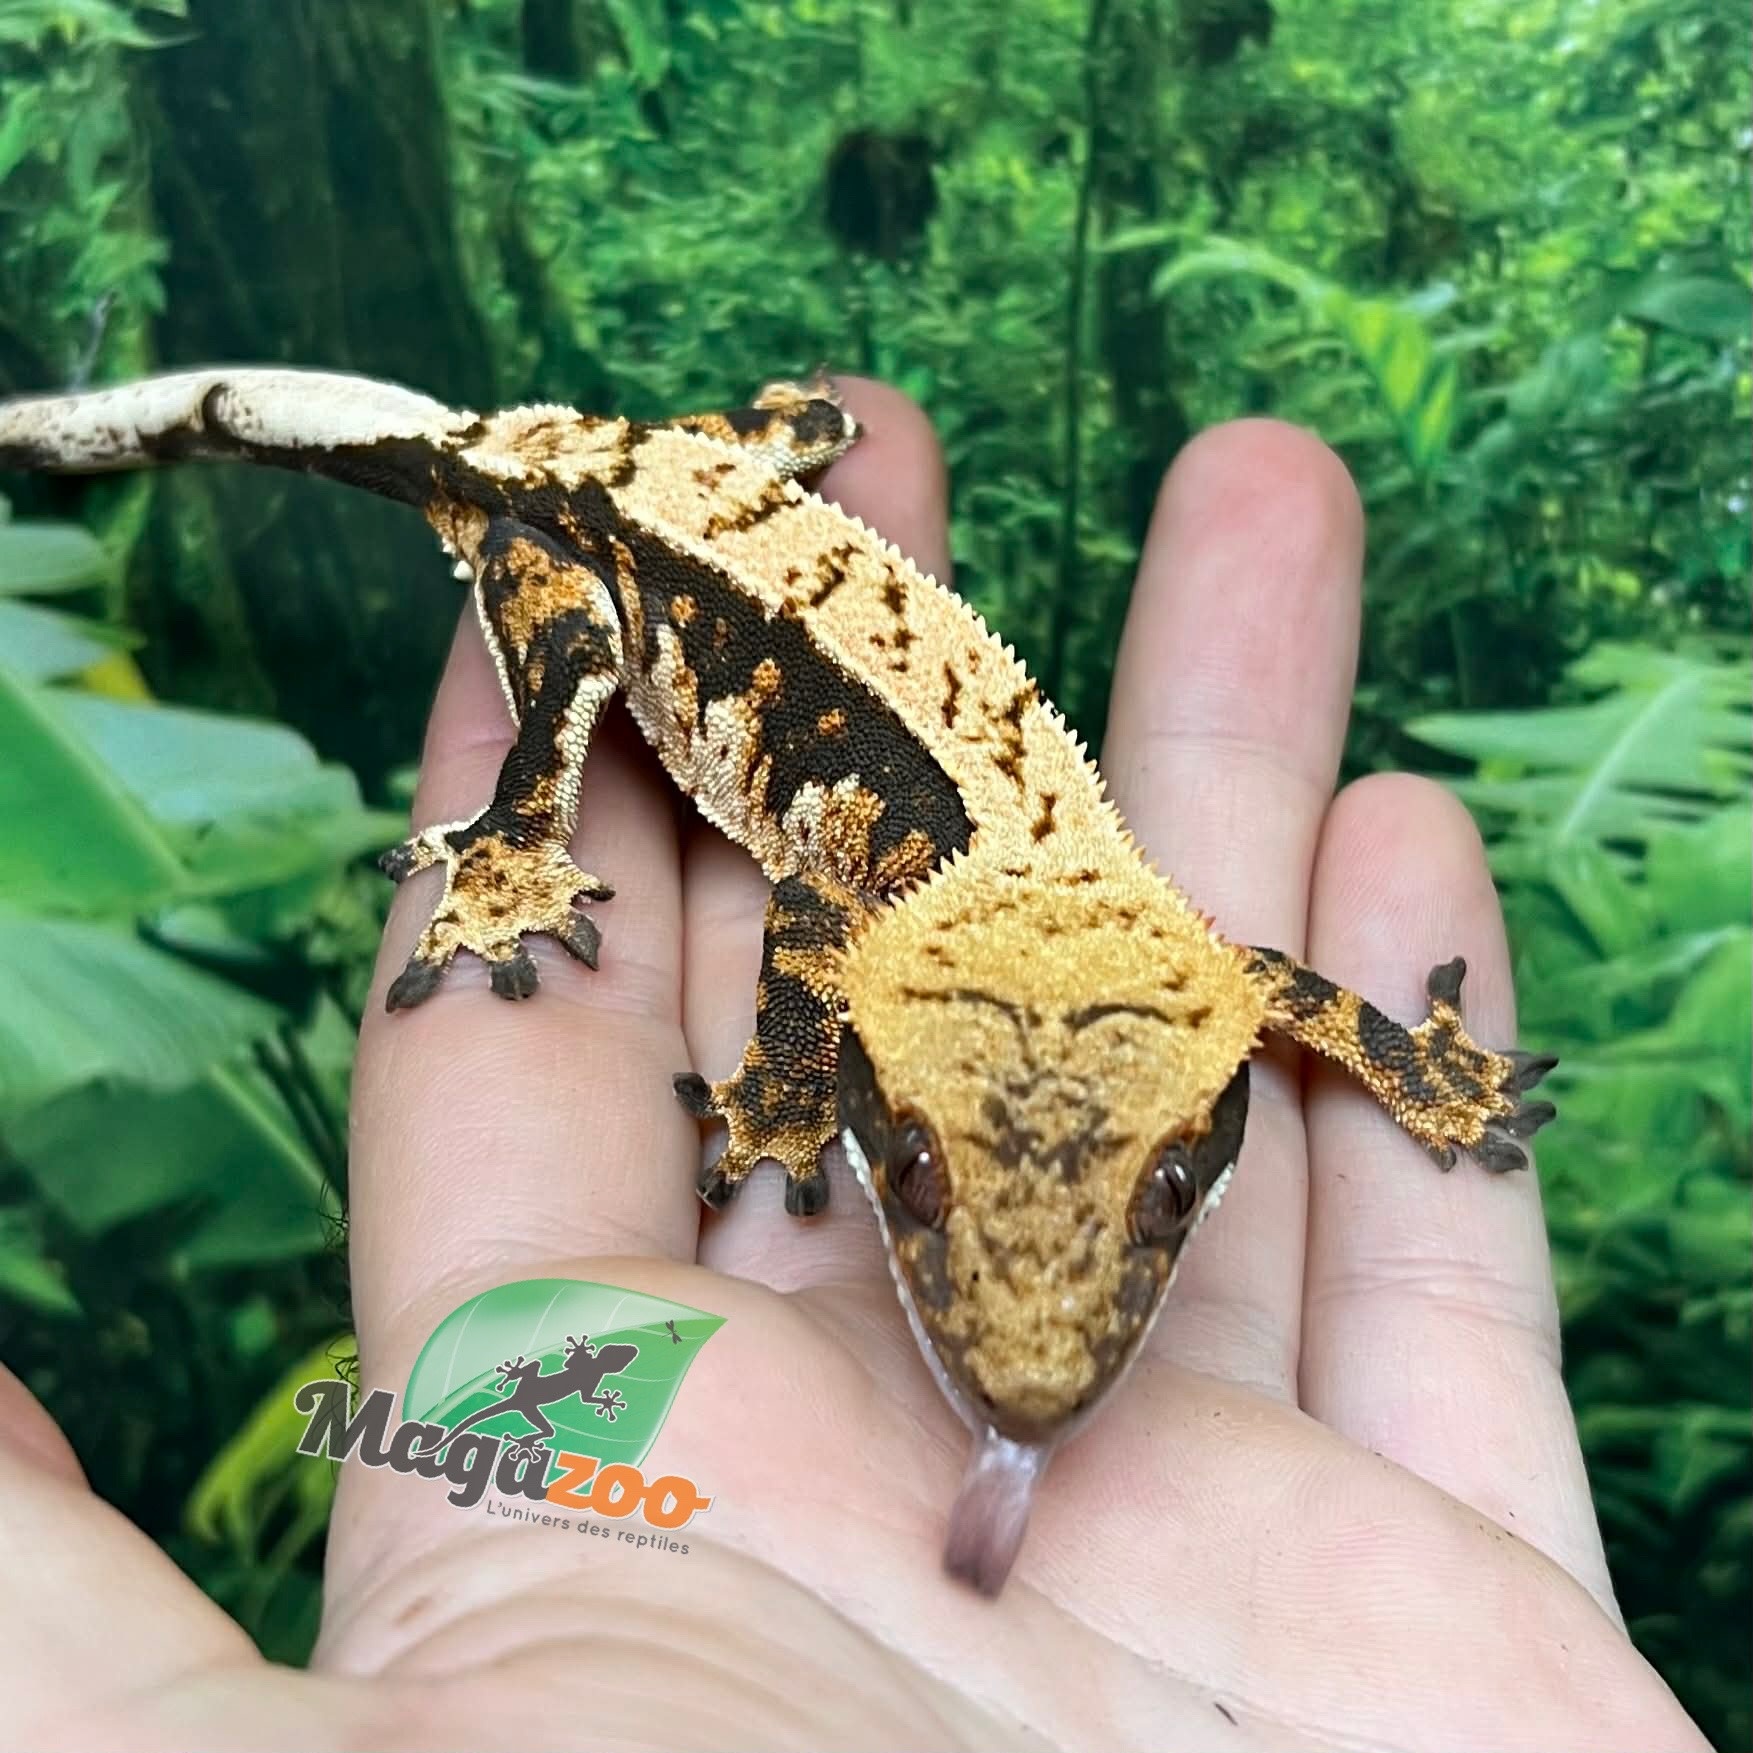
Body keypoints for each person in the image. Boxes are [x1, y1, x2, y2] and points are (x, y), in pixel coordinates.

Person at [0, 383, 1707, 1749]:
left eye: (1162, 1193)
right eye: (916, 1182)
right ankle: (520, 826)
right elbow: (819, 908)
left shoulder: (1149, 958)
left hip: (716, 523)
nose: (1033, 1349)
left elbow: (1247, 981)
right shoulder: (877, 919)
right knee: (575, 657)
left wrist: (1406, 1067)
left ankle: (725, 458)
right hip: (590, 531)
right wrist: (789, 1085)